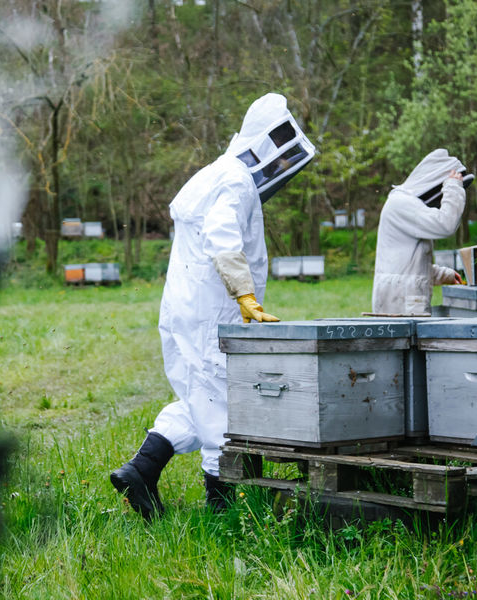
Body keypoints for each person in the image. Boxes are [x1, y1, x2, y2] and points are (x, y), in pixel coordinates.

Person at [110, 93, 317, 520]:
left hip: (184, 308)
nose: (280, 167)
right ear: (265, 145)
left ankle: (141, 470)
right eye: (278, 157)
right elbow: (222, 235)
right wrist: (244, 294)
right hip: (212, 313)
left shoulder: (212, 173)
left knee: (196, 395)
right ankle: (221, 511)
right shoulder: (237, 180)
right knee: (224, 402)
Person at [371, 148, 470, 316]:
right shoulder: (402, 204)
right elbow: (446, 224)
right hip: (399, 299)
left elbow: (409, 265)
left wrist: (443, 274)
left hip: (400, 294)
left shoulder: (405, 204)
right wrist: (453, 187)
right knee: (402, 343)